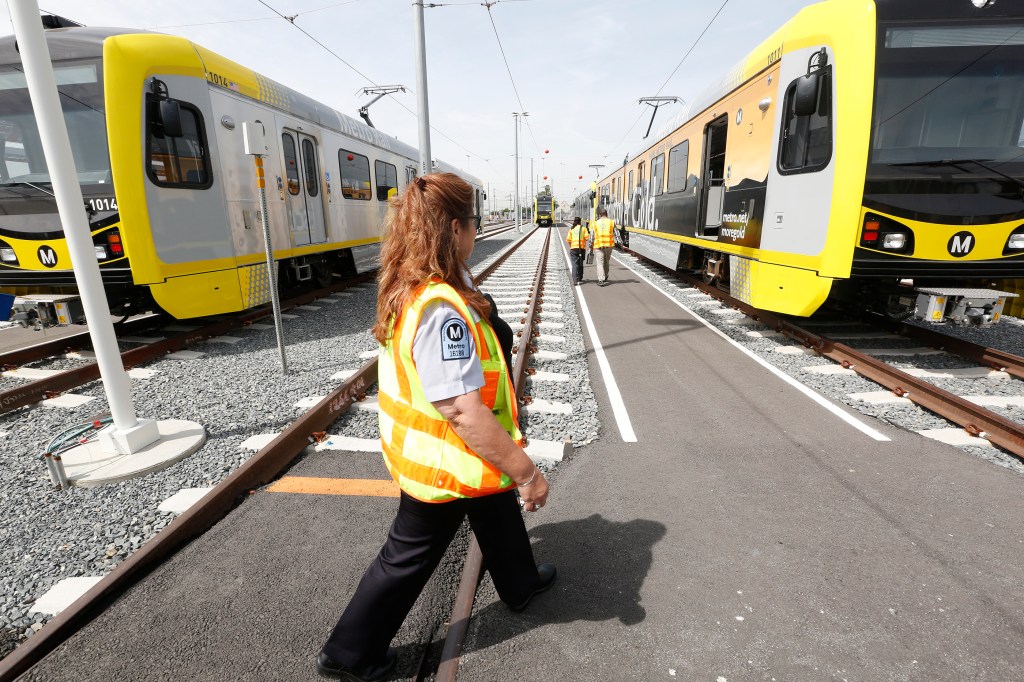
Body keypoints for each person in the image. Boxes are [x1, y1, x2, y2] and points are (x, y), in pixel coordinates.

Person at [317, 173, 556, 682]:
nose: (476, 233)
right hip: (446, 458)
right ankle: (349, 654)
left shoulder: (419, 286)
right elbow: (463, 411)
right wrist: (526, 472)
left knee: (492, 506)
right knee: (407, 555)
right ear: (454, 227)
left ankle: (520, 582)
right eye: (472, 224)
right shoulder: (439, 309)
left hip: (460, 454)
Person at [592, 207, 616, 286]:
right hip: (609, 246)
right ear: (606, 214)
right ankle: (605, 276)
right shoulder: (612, 222)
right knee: (606, 261)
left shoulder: (595, 223)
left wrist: (590, 246)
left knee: (599, 263)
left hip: (599, 246)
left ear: (600, 215)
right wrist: (622, 245)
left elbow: (592, 236)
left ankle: (601, 280)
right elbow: (617, 234)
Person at [566, 216, 590, 286]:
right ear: (580, 222)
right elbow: (587, 238)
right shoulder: (583, 228)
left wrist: (571, 246)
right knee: (580, 263)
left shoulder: (572, 229)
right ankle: (580, 277)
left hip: (573, 249)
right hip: (581, 249)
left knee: (574, 264)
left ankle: (575, 280)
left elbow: (568, 240)